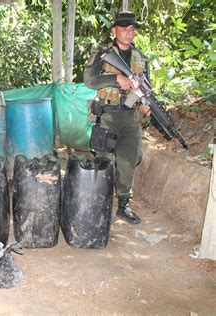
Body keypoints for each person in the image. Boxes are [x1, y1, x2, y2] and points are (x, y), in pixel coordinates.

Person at [83, 12, 152, 225]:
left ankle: (123, 206)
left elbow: (146, 89)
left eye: (132, 29)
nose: (129, 33)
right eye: (124, 29)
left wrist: (147, 106)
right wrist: (116, 79)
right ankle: (98, 203)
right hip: (108, 116)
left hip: (131, 118)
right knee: (103, 160)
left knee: (129, 160)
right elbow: (90, 80)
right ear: (114, 30)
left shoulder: (140, 57)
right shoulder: (103, 54)